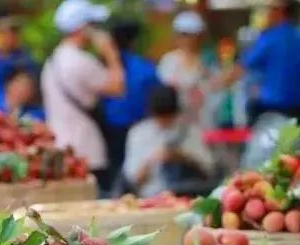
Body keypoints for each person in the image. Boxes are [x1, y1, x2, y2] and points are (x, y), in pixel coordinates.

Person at [40, 0, 125, 192]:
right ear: (82, 28)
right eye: (94, 25)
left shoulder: (52, 61)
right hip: (87, 150)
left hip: (61, 148)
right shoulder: (81, 61)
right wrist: (111, 53)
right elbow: (118, 87)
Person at [214, 0, 300, 123]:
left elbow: (242, 68)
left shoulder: (269, 39)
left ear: (280, 10)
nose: (267, 14)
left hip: (269, 112)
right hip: (299, 110)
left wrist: (217, 84)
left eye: (270, 9)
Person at [123, 85, 214, 198]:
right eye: (161, 117)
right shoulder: (139, 134)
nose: (164, 121)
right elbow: (133, 178)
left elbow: (208, 169)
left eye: (168, 117)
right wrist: (152, 161)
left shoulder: (189, 132)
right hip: (152, 195)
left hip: (189, 194)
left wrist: (181, 157)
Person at [101, 20, 159, 194]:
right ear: (134, 41)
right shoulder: (144, 68)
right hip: (139, 126)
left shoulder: (108, 67)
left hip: (110, 129)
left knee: (115, 173)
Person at [158, 11, 217, 128]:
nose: (187, 39)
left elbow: (213, 90)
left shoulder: (208, 61)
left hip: (202, 123)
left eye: (191, 35)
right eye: (183, 34)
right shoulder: (169, 61)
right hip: (174, 123)